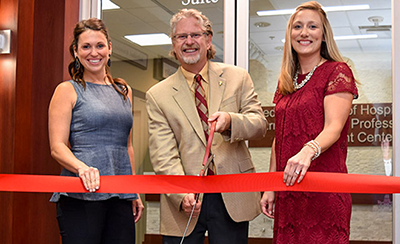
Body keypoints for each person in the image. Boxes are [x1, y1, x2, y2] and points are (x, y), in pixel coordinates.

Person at [146, 8, 267, 244]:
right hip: (185, 199)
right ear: (173, 43)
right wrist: (181, 196)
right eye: (181, 36)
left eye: (196, 35)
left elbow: (259, 124)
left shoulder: (238, 77)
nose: (189, 42)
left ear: (208, 39)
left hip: (232, 196)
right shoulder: (157, 95)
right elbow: (163, 154)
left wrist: (232, 121)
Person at [260, 1, 358, 243]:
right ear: (290, 34)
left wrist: (307, 150)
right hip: (289, 191)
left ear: (323, 35)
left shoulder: (338, 71)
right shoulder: (286, 81)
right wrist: (271, 184)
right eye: (297, 27)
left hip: (323, 192)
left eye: (312, 26)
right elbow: (279, 137)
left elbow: (333, 127)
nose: (304, 33)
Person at [48, 18, 144, 244]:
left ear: (110, 48)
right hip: (80, 193)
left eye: (100, 45)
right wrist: (82, 168)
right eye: (86, 46)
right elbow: (57, 147)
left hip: (120, 192)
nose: (94, 53)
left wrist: (134, 190)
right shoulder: (67, 90)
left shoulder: (123, 90)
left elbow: (127, 145)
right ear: (76, 51)